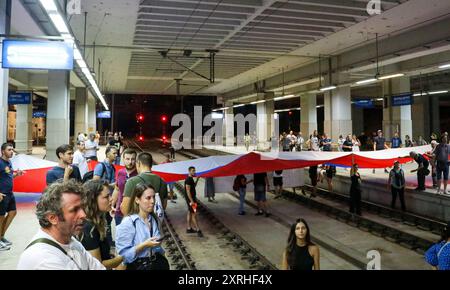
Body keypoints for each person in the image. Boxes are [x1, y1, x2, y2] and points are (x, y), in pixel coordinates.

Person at [17, 180, 105, 270]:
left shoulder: (70, 240)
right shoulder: (43, 259)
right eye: (74, 210)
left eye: (82, 207)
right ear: (52, 218)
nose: (83, 215)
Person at [116, 183, 169, 270]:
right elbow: (123, 256)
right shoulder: (128, 223)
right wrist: (144, 245)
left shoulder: (153, 219)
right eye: (148, 198)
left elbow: (157, 246)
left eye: (153, 197)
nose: (152, 201)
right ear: (137, 200)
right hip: (139, 266)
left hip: (156, 263)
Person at [79, 180, 124, 269]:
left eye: (110, 195)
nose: (111, 199)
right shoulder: (88, 227)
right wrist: (125, 256)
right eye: (106, 196)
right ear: (93, 199)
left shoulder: (98, 219)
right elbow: (97, 265)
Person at [0, 143, 24, 251]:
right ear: (2, 151)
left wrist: (17, 174)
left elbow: (8, 175)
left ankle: (1, 236)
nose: (12, 152)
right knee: (0, 218)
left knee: (12, 213)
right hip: (2, 194)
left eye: (12, 149)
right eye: (9, 150)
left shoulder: (9, 162)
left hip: (10, 193)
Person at [112, 148, 138, 226]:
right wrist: (112, 205)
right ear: (123, 159)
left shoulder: (139, 174)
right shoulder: (120, 172)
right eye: (127, 159)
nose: (130, 162)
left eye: (133, 159)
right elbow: (117, 189)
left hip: (134, 214)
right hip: (119, 213)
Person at [184, 166, 203, 237]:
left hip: (191, 199)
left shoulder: (190, 179)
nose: (194, 172)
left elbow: (193, 186)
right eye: (192, 171)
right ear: (189, 171)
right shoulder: (188, 180)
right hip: (191, 199)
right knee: (194, 214)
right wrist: (192, 201)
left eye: (194, 171)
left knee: (189, 212)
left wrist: (197, 179)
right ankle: (198, 229)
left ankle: (189, 228)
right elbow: (188, 191)